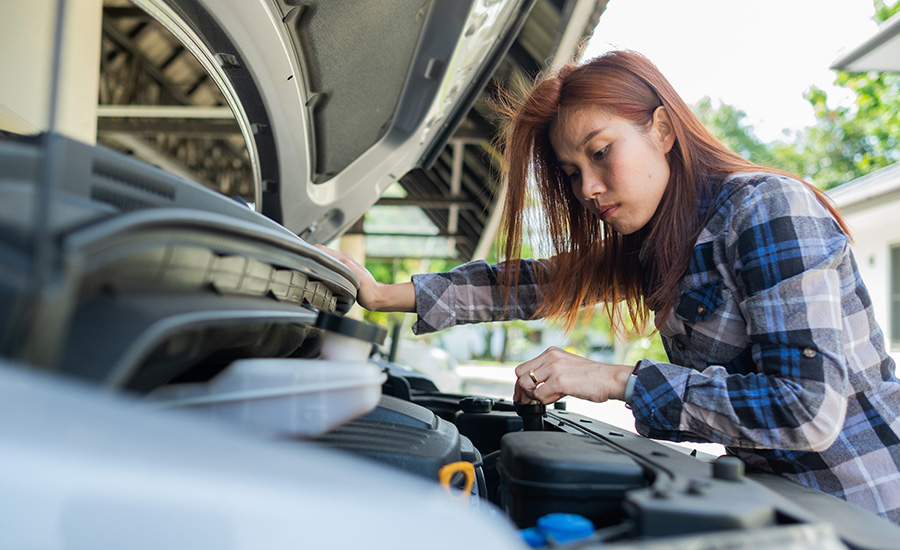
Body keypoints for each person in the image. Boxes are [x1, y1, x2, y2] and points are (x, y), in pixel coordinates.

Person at [318, 50, 900, 522]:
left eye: (601, 153)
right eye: (572, 173)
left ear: (664, 129)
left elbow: (804, 410)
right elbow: (534, 283)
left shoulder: (767, 208)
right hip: (779, 507)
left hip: (866, 506)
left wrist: (612, 378)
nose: (587, 190)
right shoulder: (660, 241)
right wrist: (382, 293)